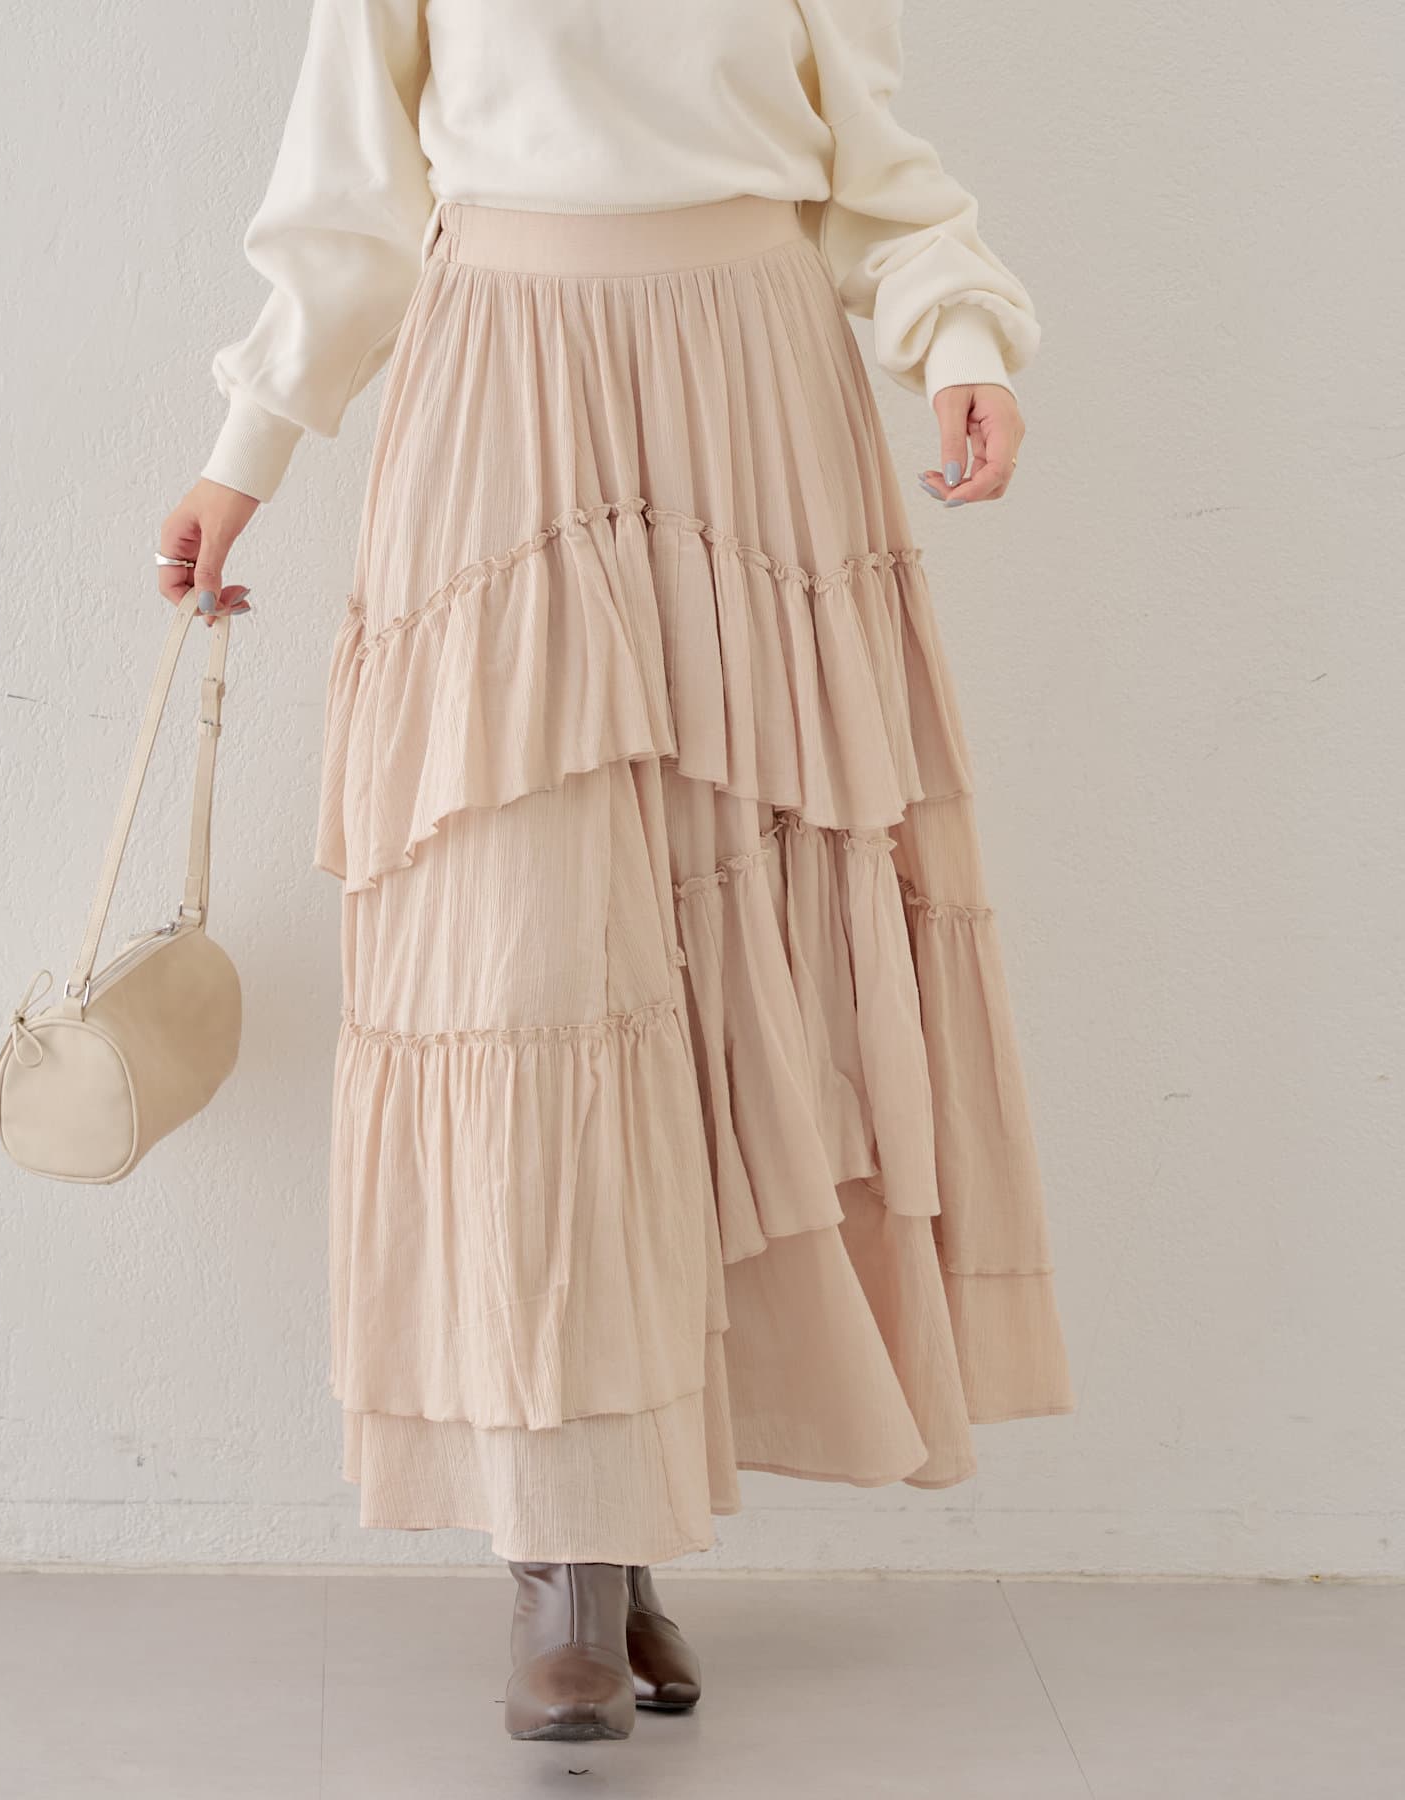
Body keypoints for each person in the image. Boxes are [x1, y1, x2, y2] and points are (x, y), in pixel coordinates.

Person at [159, 0, 1074, 1745]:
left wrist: (961, 337)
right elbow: (350, 199)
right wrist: (240, 457)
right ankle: (564, 1560)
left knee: (721, 968)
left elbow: (878, 181)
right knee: (532, 961)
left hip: (757, 408)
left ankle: (613, 1532)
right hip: (506, 400)